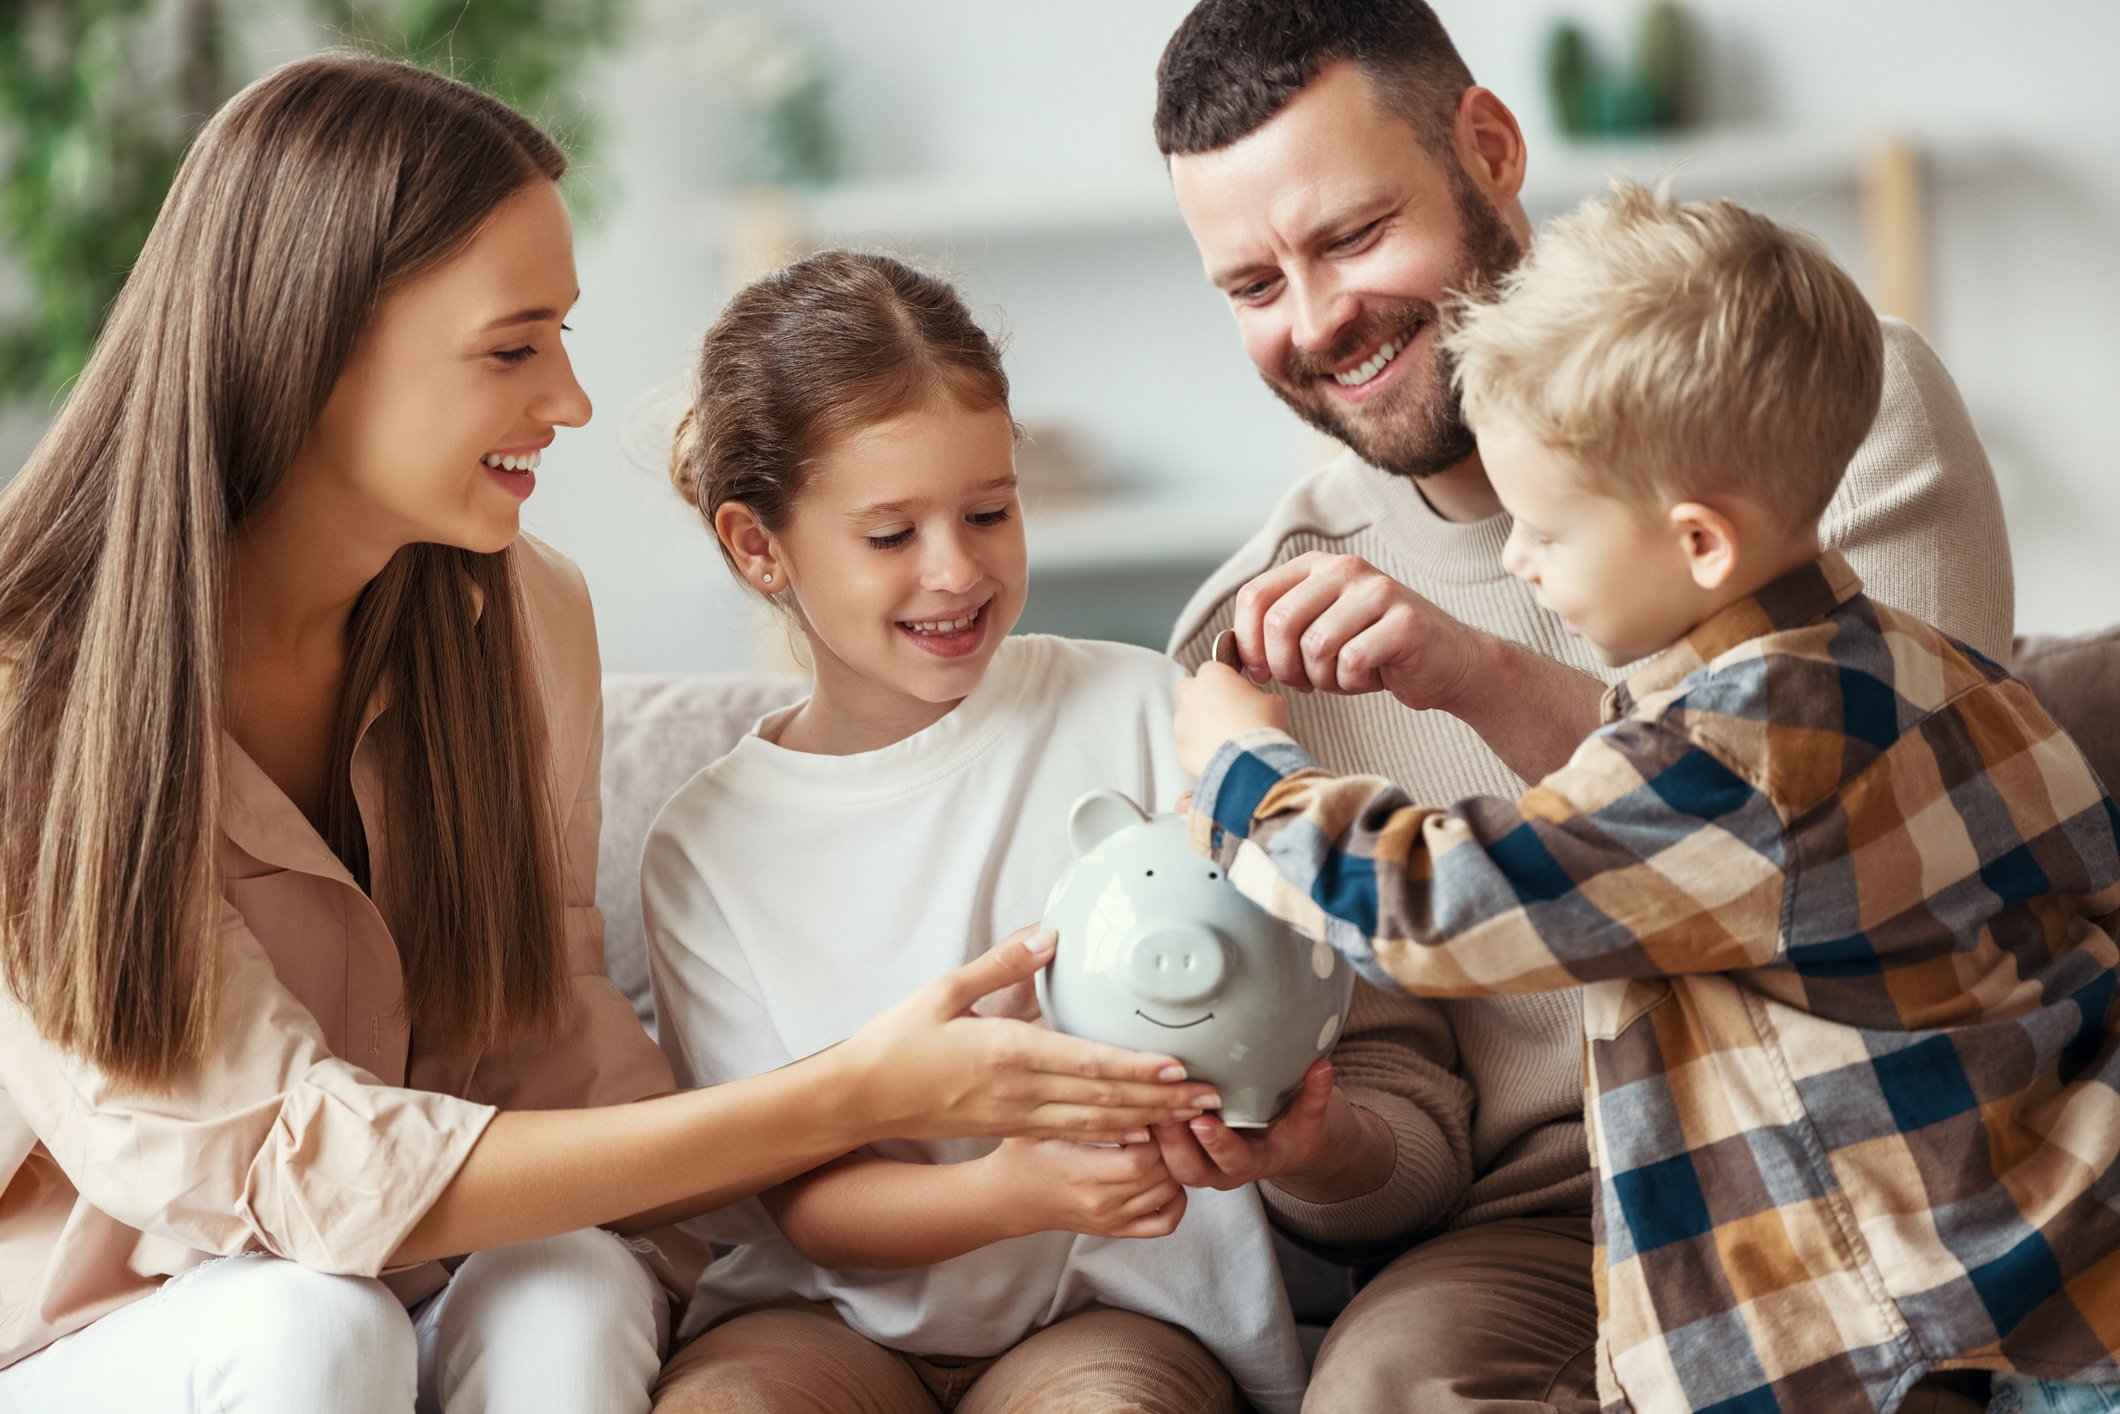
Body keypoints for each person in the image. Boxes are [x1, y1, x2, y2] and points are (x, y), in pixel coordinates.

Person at [0, 56, 1212, 1414]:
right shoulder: (34, 687)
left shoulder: (512, 618)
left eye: (562, 337)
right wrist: (847, 1093)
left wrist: (920, 1137)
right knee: (312, 1331)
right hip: (101, 1330)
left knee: (569, 1282)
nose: (573, 401)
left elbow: (552, 1047)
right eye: (514, 347)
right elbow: (297, 1163)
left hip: (398, 1279)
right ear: (316, 346)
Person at [1147, 5, 2014, 1410]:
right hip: (1550, 1219)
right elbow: (1409, 1144)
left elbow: (1858, 840)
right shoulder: (1255, 644)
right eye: (1251, 284)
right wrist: (1307, 1139)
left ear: (1489, 147)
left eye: (1355, 236)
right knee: (1385, 1380)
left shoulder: (1813, 414)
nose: (1315, 322)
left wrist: (1482, 677)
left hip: (1877, 1134)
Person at [640, 249, 1307, 1414]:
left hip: (1109, 1311)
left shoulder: (1141, 710)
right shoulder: (708, 847)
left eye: (988, 511)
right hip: (826, 1318)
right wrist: (1013, 1189)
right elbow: (800, 1199)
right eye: (889, 535)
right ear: (759, 547)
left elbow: (1292, 967)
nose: (956, 569)